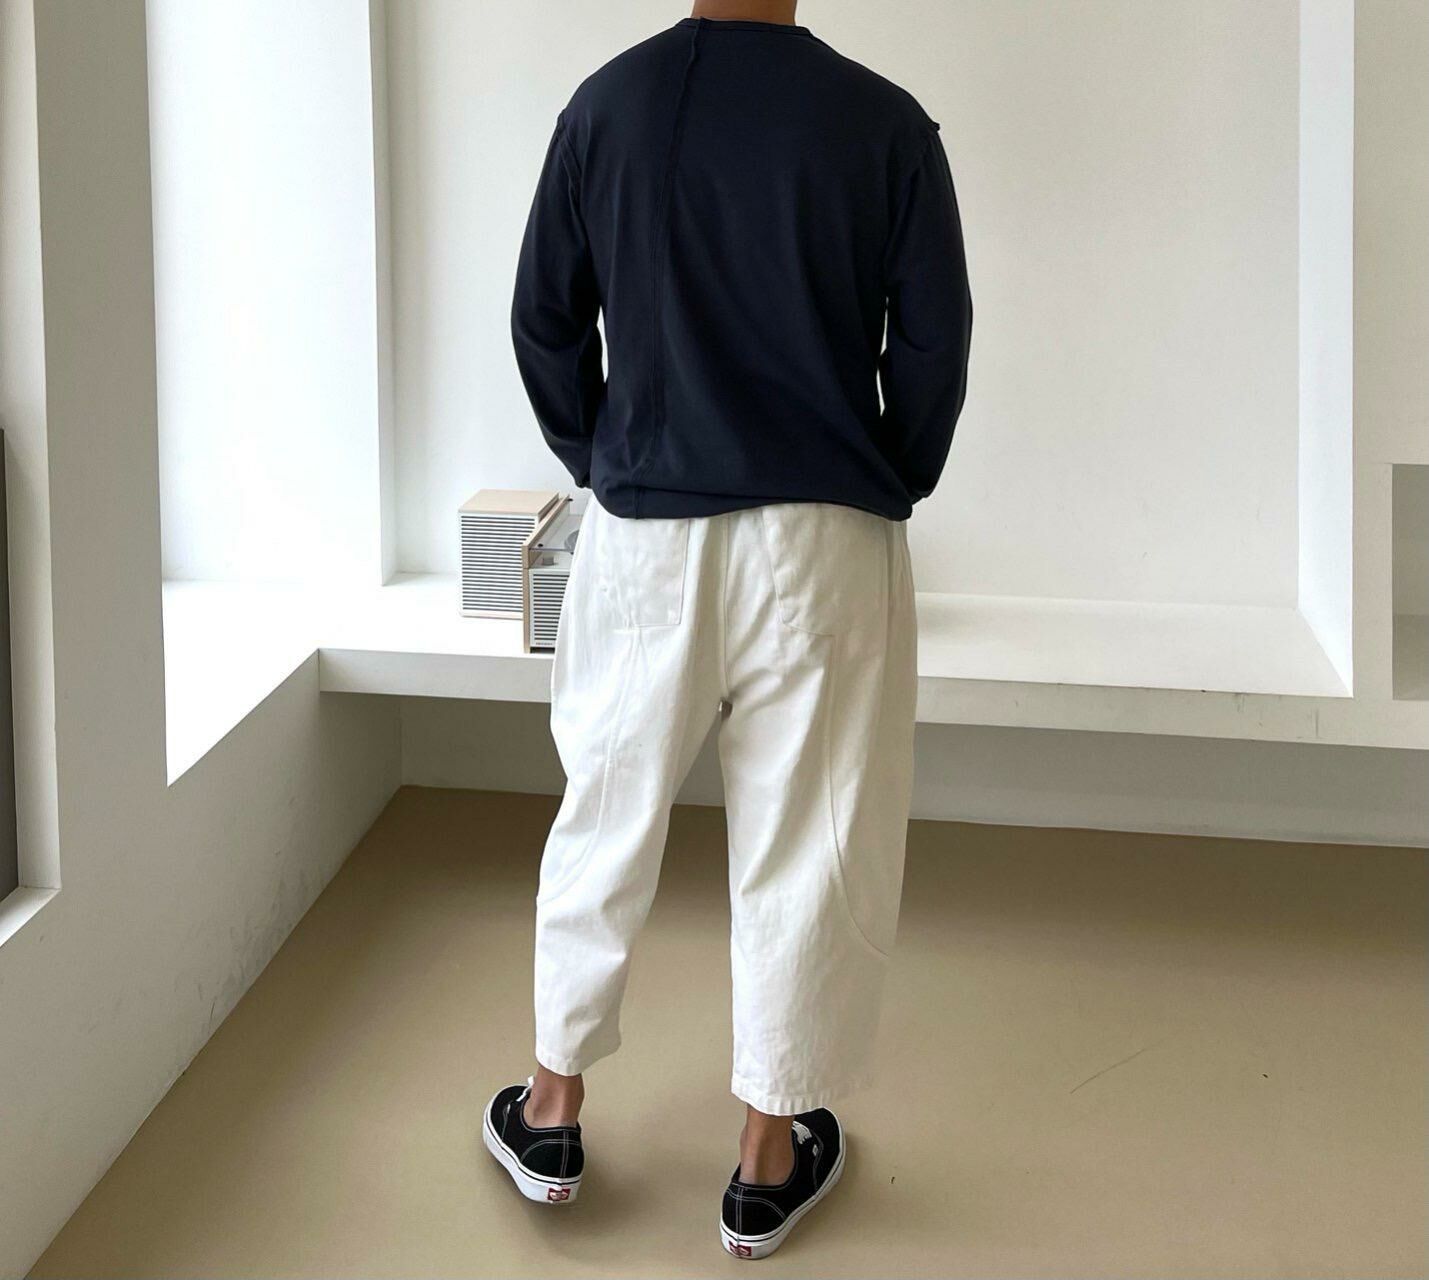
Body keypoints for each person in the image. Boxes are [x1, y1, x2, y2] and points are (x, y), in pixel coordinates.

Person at [487, 0, 972, 1259]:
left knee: (605, 807)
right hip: (823, 535)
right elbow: (933, 338)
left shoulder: (606, 108)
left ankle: (551, 1108)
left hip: (646, 528)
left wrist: (606, 456)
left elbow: (544, 318)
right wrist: (886, 475)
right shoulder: (883, 124)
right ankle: (764, 1157)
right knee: (810, 832)